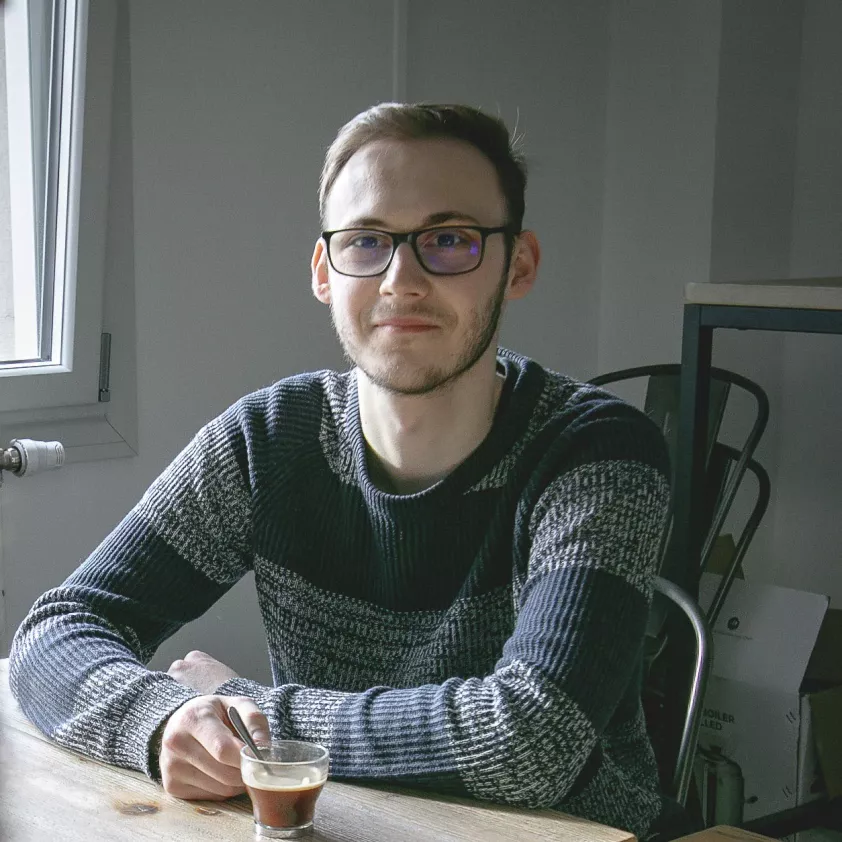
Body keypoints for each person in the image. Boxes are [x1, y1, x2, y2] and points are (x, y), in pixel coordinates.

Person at [10, 103, 682, 839]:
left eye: (449, 240)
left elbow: (532, 739)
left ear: (517, 264)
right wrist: (162, 718)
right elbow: (59, 629)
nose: (402, 279)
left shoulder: (599, 452)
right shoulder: (269, 439)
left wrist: (249, 706)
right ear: (325, 271)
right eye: (367, 241)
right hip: (352, 824)